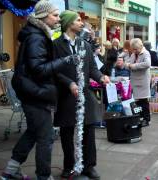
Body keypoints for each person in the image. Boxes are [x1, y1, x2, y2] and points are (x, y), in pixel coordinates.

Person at [0, 1, 78, 179]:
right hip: (34, 93)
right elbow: (38, 69)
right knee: (46, 136)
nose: (58, 19)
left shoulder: (39, 34)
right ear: (43, 16)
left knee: (34, 131)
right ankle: (43, 176)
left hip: (33, 91)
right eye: (55, 15)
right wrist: (64, 61)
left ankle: (10, 171)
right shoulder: (37, 37)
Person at [52, 10, 110, 179]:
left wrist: (101, 77)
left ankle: (89, 166)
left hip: (85, 96)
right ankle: (69, 166)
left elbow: (92, 68)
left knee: (89, 131)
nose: (81, 23)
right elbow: (54, 71)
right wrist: (68, 83)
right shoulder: (56, 45)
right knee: (67, 133)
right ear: (69, 23)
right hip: (66, 96)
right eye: (78, 20)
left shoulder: (85, 44)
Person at [125, 38, 151, 127]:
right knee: (137, 101)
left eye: (136, 49)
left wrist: (133, 66)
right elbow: (128, 62)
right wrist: (127, 65)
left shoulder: (146, 53)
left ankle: (146, 119)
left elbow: (147, 64)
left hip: (143, 81)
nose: (134, 51)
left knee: (144, 100)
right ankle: (140, 117)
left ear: (140, 46)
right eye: (133, 49)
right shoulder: (133, 54)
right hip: (135, 80)